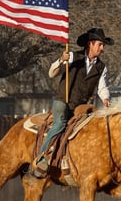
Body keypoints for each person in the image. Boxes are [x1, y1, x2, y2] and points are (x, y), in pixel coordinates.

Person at [31, 27, 113, 178]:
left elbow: (102, 87)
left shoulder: (101, 67)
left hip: (80, 106)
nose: (102, 48)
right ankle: (41, 158)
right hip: (63, 101)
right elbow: (52, 73)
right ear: (90, 44)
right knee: (60, 124)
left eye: (103, 45)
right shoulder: (72, 56)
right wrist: (61, 60)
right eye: (100, 45)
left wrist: (106, 99)